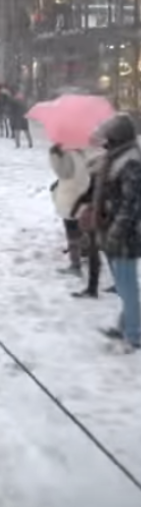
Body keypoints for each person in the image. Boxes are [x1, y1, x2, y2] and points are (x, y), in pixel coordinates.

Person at [90, 113, 141, 352]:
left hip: (125, 233)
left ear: (118, 138)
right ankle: (127, 325)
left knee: (126, 284)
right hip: (111, 229)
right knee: (123, 284)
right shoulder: (115, 157)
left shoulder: (130, 162)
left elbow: (132, 204)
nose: (105, 140)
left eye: (109, 136)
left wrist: (117, 231)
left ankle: (135, 333)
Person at [49, 143, 102, 295]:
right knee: (83, 229)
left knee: (72, 233)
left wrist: (54, 156)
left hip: (70, 197)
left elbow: (63, 173)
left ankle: (75, 265)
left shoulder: (68, 154)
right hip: (82, 195)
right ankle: (87, 254)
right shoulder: (83, 152)